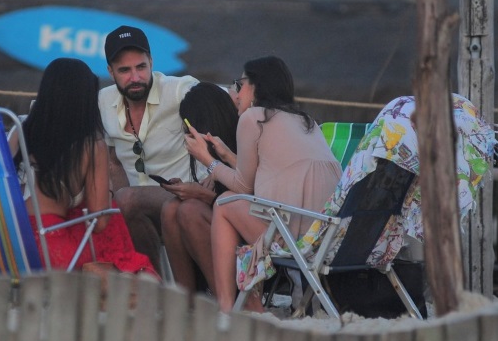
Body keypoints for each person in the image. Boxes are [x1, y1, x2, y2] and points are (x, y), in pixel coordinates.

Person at [184, 56, 342, 312]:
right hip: (328, 236)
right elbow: (269, 176)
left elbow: (244, 188)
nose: (235, 93)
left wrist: (207, 161)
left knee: (224, 205)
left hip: (296, 238)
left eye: (240, 84)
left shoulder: (253, 118)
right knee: (235, 203)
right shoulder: (305, 120)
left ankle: (227, 307)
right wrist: (225, 155)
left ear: (256, 87)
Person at [13, 57, 156, 276]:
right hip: (48, 248)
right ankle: (139, 275)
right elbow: (100, 221)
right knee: (112, 215)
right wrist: (108, 188)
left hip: (6, 244)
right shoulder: (90, 144)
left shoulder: (19, 131)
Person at [98, 25, 198, 273]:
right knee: (118, 203)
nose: (135, 77)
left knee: (127, 199)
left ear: (152, 62)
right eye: (124, 70)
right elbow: (112, 159)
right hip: (138, 211)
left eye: (140, 67)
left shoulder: (179, 90)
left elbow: (226, 102)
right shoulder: (102, 101)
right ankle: (153, 282)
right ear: (110, 72)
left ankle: (154, 284)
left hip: (187, 201)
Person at [160, 82, 239, 292]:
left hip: (255, 232)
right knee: (170, 208)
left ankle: (224, 300)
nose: (186, 132)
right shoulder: (220, 151)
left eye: (189, 126)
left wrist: (203, 195)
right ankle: (186, 299)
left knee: (190, 210)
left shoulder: (243, 140)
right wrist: (199, 189)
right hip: (230, 227)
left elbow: (251, 197)